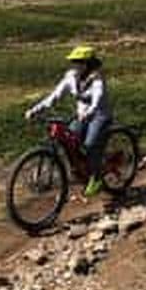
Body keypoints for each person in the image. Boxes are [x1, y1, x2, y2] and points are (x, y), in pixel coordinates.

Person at [25, 45, 112, 198]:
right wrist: (35, 110)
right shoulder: (71, 77)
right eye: (74, 62)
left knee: (90, 145)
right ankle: (81, 169)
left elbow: (97, 99)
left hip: (99, 116)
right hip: (81, 116)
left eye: (79, 62)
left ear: (88, 64)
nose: (75, 65)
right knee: (71, 140)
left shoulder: (97, 79)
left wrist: (89, 112)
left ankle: (97, 178)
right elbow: (54, 96)